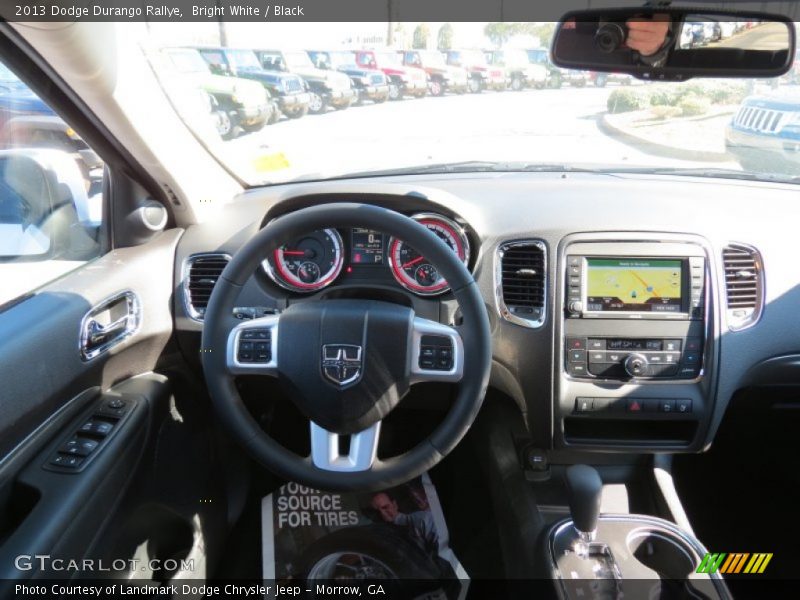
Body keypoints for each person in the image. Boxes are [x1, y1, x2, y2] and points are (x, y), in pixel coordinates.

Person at [370, 492, 439, 556]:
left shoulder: (423, 519)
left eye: (385, 507)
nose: (382, 513)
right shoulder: (379, 537)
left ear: (394, 505)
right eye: (377, 511)